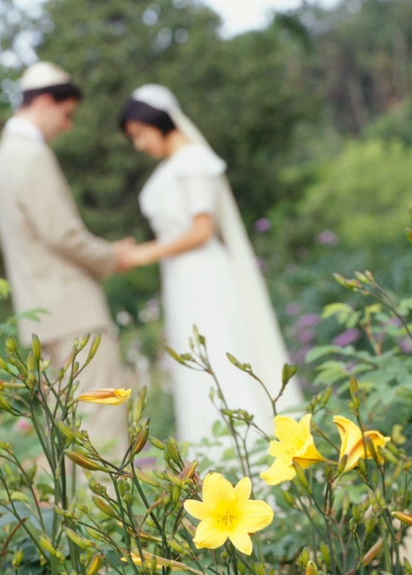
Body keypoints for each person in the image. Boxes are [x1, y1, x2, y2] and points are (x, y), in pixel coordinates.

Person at [116, 84, 303, 458]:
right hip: (181, 279)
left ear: (158, 122)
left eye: (140, 134)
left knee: (220, 353)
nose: (139, 145)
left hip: (205, 276)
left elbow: (201, 230)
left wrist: (146, 254)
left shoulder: (194, 161)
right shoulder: (172, 167)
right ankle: (213, 457)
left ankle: (251, 454)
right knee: (196, 361)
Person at [0, 62, 133, 458]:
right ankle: (113, 520)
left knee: (64, 434)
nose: (67, 126)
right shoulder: (30, 156)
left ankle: (76, 520)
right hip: (74, 314)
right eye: (67, 115)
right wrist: (111, 256)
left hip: (37, 318)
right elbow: (62, 234)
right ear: (46, 102)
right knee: (100, 422)